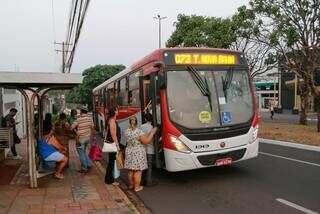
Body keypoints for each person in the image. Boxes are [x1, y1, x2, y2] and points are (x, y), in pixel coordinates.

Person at [124, 116, 157, 192]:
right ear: (136, 122)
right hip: (137, 152)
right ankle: (137, 187)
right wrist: (152, 133)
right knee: (138, 170)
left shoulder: (127, 131)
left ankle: (131, 185)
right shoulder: (139, 131)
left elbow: (137, 138)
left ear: (130, 122)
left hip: (129, 151)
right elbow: (146, 141)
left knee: (130, 170)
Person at [71, 106, 95, 173]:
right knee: (84, 152)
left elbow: (71, 128)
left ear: (81, 111)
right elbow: (92, 128)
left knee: (81, 153)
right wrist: (92, 137)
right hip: (87, 138)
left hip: (80, 139)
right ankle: (89, 164)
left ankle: (84, 168)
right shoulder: (90, 118)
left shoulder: (78, 119)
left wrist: (76, 131)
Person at [104, 106, 123, 185]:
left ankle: (109, 179)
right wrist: (117, 146)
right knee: (111, 162)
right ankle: (109, 180)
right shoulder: (112, 121)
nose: (118, 112)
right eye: (117, 110)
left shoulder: (111, 120)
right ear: (114, 111)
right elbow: (113, 135)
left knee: (111, 162)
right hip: (113, 145)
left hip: (112, 144)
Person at [140, 113, 157, 186]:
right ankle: (148, 181)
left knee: (143, 166)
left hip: (143, 149)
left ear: (145, 119)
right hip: (150, 149)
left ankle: (141, 181)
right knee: (149, 166)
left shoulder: (141, 126)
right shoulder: (153, 128)